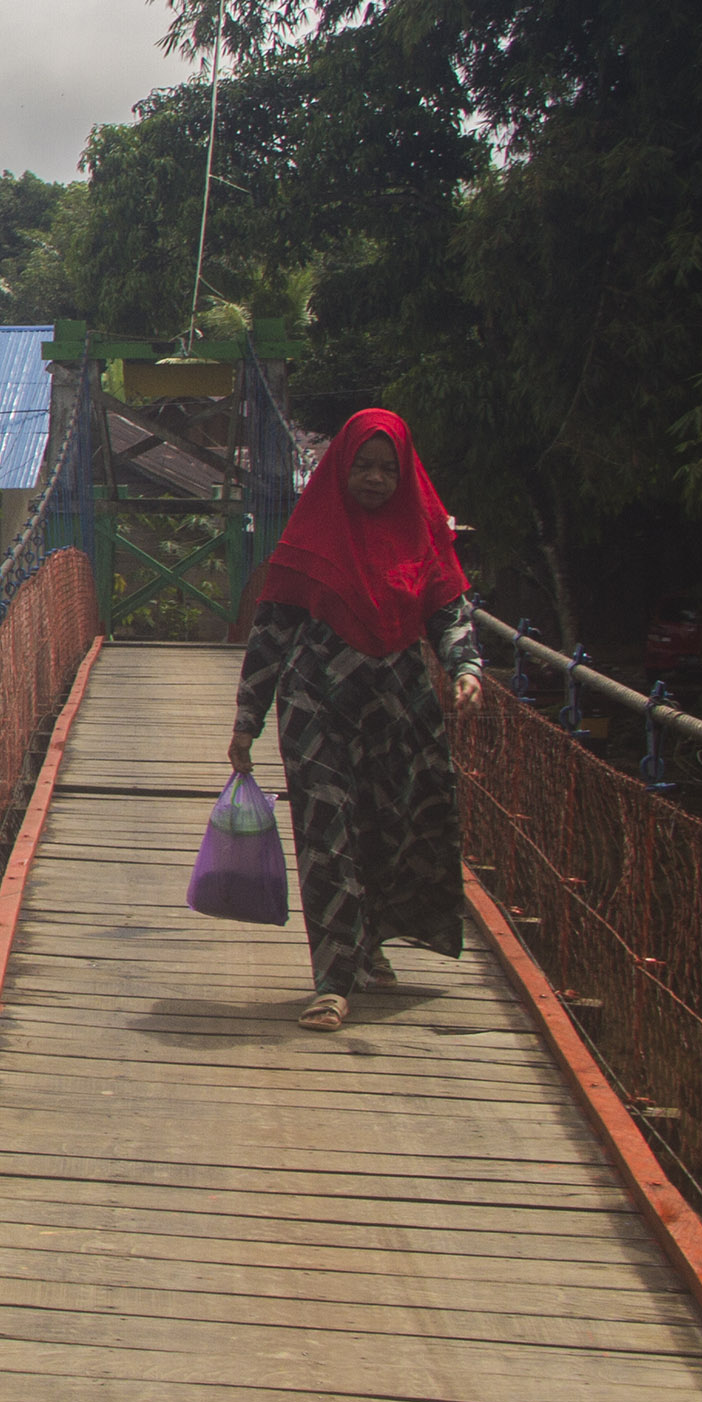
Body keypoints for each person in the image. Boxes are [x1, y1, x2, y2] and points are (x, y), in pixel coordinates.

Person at [227, 408, 483, 1031]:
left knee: (389, 827)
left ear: (406, 473)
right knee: (328, 835)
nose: (373, 479)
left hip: (401, 710)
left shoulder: (423, 533)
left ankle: (369, 945)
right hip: (318, 706)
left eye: (386, 469)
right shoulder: (313, 535)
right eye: (362, 466)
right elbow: (272, 630)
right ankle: (333, 982)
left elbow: (449, 609)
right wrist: (246, 720)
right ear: (340, 468)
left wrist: (466, 667)